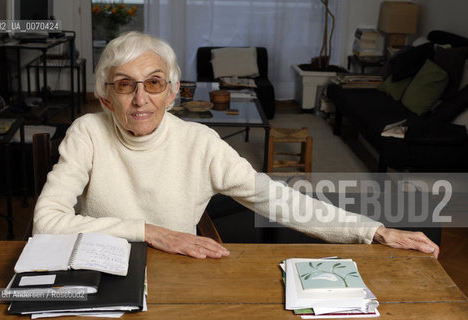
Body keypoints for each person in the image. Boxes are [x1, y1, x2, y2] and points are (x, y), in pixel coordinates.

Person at [33, 32, 439, 259]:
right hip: (99, 269)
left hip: (178, 269)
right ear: (106, 98)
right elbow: (46, 224)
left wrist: (373, 230)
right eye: (125, 85)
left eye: (154, 83)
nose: (141, 99)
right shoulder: (87, 131)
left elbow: (277, 199)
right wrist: (152, 232)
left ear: (173, 92)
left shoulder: (199, 143)